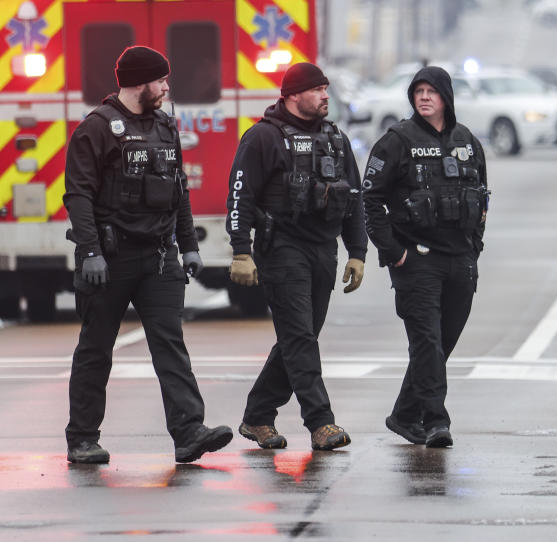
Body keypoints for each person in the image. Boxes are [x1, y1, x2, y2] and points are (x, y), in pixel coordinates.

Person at [63, 45, 233, 464]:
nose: (166, 87)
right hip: (110, 260)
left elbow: (179, 190)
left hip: (158, 258)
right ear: (140, 82)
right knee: (96, 349)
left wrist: (189, 245)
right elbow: (78, 195)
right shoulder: (96, 129)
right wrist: (89, 252)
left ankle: (190, 432)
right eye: (161, 80)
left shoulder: (163, 126)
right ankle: (82, 437)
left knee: (170, 345)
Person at [226, 62, 367, 451]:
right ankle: (321, 422)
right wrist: (241, 250)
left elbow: (354, 198)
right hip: (281, 248)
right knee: (300, 337)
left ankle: (257, 415)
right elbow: (240, 196)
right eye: (318, 89)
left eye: (326, 89)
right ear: (292, 95)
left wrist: (358, 252)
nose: (325, 96)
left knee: (299, 338)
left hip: (323, 249)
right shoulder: (263, 138)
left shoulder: (335, 139)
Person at [362, 65, 488, 448]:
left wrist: (475, 248)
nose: (424, 97)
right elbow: (370, 201)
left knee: (441, 344)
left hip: (460, 261)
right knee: (427, 343)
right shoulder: (396, 140)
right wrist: (394, 252)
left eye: (432, 90)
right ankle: (436, 421)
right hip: (417, 263)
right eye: (418, 91)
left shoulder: (467, 141)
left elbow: (482, 199)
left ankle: (403, 414)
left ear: (446, 96)